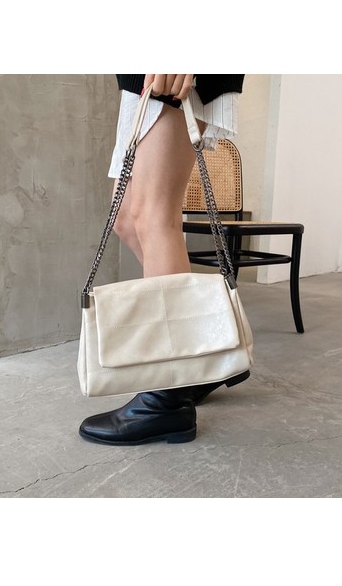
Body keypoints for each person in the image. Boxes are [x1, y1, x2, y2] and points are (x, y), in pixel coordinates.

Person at [79, 74, 247, 446]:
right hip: (142, 78)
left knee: (154, 216)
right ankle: (204, 350)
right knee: (126, 218)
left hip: (169, 75)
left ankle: (167, 398)